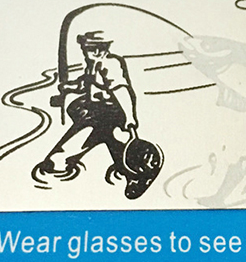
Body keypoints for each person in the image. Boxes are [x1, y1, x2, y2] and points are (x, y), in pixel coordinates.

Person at [35, 31, 160, 198]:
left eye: (100, 48)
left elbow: (121, 89)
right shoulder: (93, 64)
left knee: (61, 158)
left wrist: (130, 117)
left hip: (108, 115)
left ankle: (138, 174)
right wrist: (70, 87)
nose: (95, 52)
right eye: (89, 48)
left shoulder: (110, 64)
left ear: (105, 48)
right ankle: (134, 174)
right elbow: (86, 82)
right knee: (116, 148)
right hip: (95, 112)